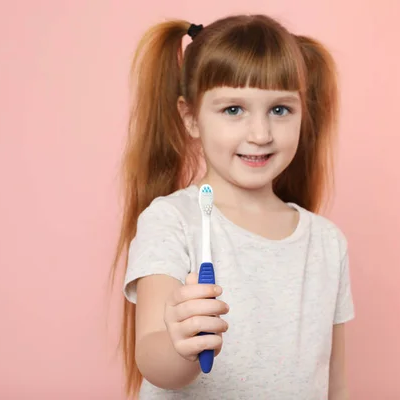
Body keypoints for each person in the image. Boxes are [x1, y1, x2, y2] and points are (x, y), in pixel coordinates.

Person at [110, 13, 355, 400]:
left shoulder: (327, 242)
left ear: (303, 114)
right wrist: (179, 340)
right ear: (190, 118)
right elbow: (154, 359)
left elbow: (335, 383)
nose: (260, 134)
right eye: (233, 110)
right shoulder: (172, 220)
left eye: (280, 110)